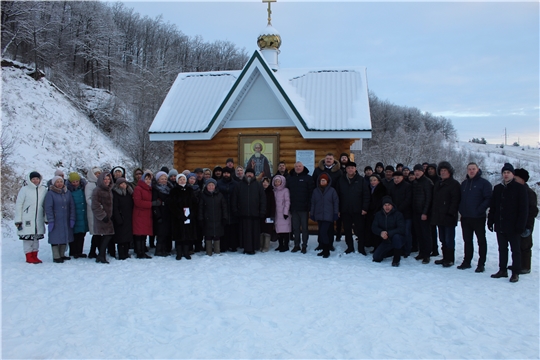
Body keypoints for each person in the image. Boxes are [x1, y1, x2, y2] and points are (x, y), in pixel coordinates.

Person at [488, 163, 528, 283]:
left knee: (515, 250)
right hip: (500, 224)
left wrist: (521, 225)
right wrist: (490, 220)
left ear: (512, 174)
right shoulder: (498, 188)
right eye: (504, 173)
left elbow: (523, 209)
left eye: (508, 173)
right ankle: (502, 270)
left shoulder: (520, 188)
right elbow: (493, 206)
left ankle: (515, 272)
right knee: (502, 248)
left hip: (514, 226)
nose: (506, 175)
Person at [457, 162, 492, 272]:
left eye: (473, 169)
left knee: (481, 241)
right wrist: (461, 209)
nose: (471, 171)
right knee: (467, 240)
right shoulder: (464, 184)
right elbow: (460, 199)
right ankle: (467, 261)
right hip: (466, 217)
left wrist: (480, 210)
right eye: (469, 169)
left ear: (478, 170)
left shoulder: (484, 183)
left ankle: (481, 263)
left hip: (478, 217)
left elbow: (488, 199)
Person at [430, 161, 461, 267]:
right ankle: (445, 257)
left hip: (449, 216)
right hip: (439, 216)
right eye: (441, 171)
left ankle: (450, 259)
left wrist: (450, 213)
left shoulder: (454, 184)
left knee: (449, 238)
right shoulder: (438, 183)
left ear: (449, 172)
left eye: (445, 171)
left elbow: (455, 200)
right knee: (442, 238)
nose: (443, 173)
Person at [336, 161, 370, 255]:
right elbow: (337, 196)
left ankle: (361, 248)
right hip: (345, 209)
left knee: (360, 230)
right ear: (346, 169)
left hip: (358, 210)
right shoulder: (341, 180)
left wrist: (365, 208)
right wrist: (338, 209)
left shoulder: (361, 180)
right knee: (347, 230)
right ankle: (349, 247)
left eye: (352, 168)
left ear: (355, 169)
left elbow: (366, 195)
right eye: (348, 168)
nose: (350, 169)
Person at [15, 171, 47, 264]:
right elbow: (19, 204)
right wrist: (18, 220)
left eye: (37, 179)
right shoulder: (24, 189)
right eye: (33, 179)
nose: (35, 181)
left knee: (36, 239)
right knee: (28, 239)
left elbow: (46, 205)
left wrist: (46, 218)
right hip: (27, 218)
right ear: (30, 180)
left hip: (38, 219)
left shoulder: (43, 189)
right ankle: (28, 256)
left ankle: (35, 256)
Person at [232, 168, 266, 254]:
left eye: (251, 173)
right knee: (245, 233)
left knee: (254, 233)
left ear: (254, 175)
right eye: (248, 173)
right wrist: (235, 210)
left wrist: (262, 211)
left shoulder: (258, 185)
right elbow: (234, 199)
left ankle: (253, 248)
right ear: (245, 174)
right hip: (243, 213)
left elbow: (263, 199)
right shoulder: (239, 185)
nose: (249, 175)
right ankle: (246, 248)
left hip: (255, 214)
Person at [312, 153, 342, 248]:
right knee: (321, 226)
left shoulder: (339, 172)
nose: (328, 160)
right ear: (324, 160)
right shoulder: (318, 170)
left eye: (330, 159)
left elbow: (340, 187)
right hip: (320, 199)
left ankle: (330, 244)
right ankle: (320, 244)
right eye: (327, 158)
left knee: (329, 226)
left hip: (332, 199)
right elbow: (314, 183)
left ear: (334, 161)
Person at [45, 175, 75, 263]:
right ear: (54, 183)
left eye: (61, 182)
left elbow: (72, 206)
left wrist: (72, 218)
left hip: (65, 218)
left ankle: (62, 254)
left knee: (65, 236)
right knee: (55, 237)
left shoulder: (67, 192)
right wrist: (50, 220)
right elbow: (48, 207)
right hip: (56, 219)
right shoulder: (50, 193)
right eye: (57, 182)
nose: (59, 184)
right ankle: (56, 256)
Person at [513, 168, 538, 274]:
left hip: (527, 223)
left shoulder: (529, 193)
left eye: (516, 178)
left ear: (522, 180)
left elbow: (533, 210)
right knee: (517, 245)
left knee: (525, 246)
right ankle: (517, 264)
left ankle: (526, 266)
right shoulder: (515, 190)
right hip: (516, 223)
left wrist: (527, 225)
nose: (514, 180)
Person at [287, 162, 315, 254]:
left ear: (303, 167)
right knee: (295, 228)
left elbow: (311, 194)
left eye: (299, 166)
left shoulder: (308, 178)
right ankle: (296, 245)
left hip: (304, 208)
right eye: (296, 166)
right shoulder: (290, 178)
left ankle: (304, 245)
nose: (298, 168)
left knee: (304, 228)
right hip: (294, 208)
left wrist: (310, 206)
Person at [169, 174, 198, 260]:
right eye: (180, 179)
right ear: (177, 181)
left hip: (188, 216)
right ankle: (179, 252)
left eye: (183, 179)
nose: (182, 181)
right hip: (178, 217)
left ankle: (186, 252)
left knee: (187, 235)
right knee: (179, 235)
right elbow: (172, 204)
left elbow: (194, 202)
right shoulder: (174, 190)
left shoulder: (190, 190)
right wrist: (179, 214)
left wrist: (191, 213)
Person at [310, 173, 339, 258]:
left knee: (324, 232)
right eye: (321, 180)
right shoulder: (316, 191)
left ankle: (326, 250)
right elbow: (313, 203)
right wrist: (312, 213)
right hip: (319, 215)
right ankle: (324, 249)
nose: (323, 182)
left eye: (324, 180)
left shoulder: (332, 191)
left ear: (327, 181)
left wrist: (335, 213)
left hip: (328, 215)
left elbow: (336, 203)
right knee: (321, 232)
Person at [371, 196, 405, 266]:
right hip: (385, 240)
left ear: (392, 205)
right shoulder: (378, 215)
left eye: (389, 205)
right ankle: (392, 251)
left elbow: (401, 229)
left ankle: (396, 258)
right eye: (385, 205)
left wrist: (389, 233)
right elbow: (374, 227)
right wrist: (381, 232)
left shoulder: (398, 215)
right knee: (376, 258)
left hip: (397, 239)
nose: (387, 207)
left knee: (396, 237)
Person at [198, 178, 228, 256]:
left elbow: (224, 207)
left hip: (218, 218)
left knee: (217, 235)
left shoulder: (220, 195)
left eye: (212, 185)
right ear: (206, 186)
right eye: (209, 185)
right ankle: (209, 251)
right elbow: (200, 208)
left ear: (215, 186)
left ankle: (217, 251)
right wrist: (200, 218)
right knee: (208, 235)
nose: (211, 187)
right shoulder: (203, 195)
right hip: (207, 219)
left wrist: (225, 217)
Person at [412, 164, 434, 264]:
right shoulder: (415, 182)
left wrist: (425, 212)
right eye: (415, 171)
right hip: (416, 212)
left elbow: (429, 199)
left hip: (424, 213)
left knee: (426, 234)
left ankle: (427, 255)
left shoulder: (427, 182)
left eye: (419, 171)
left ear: (422, 172)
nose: (417, 172)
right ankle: (421, 252)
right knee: (419, 233)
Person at [91, 172, 115, 264]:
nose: (107, 181)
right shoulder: (97, 190)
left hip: (109, 217)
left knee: (107, 235)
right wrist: (102, 215)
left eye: (108, 179)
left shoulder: (109, 189)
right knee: (107, 235)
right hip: (102, 217)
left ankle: (101, 255)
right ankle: (101, 255)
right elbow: (95, 205)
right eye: (105, 179)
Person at [388, 171, 413, 257]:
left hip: (406, 213)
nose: (396, 180)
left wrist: (399, 208)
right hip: (395, 214)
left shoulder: (407, 186)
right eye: (394, 178)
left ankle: (407, 250)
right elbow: (389, 198)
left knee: (406, 232)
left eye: (398, 178)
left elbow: (408, 199)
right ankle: (399, 248)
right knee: (397, 232)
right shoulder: (392, 187)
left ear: (402, 177)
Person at [66, 172, 89, 258]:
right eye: (73, 182)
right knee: (74, 234)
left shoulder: (83, 189)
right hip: (73, 214)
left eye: (77, 181)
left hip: (83, 214)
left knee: (82, 234)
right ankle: (73, 251)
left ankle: (79, 251)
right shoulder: (68, 191)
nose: (75, 183)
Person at [132, 171, 153, 259]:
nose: (148, 181)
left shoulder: (149, 189)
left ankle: (143, 251)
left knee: (144, 234)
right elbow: (138, 202)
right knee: (139, 234)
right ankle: (139, 252)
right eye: (146, 179)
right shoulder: (138, 188)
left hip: (146, 215)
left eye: (149, 179)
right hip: (139, 214)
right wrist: (151, 204)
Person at [217, 167, 239, 252]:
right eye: (225, 173)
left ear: (231, 174)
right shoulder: (219, 183)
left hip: (233, 208)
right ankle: (224, 246)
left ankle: (233, 245)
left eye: (228, 173)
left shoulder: (236, 184)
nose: (226, 175)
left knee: (233, 229)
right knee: (224, 228)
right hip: (222, 208)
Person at [152, 171, 173, 256]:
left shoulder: (169, 188)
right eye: (162, 179)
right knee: (161, 233)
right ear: (158, 180)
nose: (164, 180)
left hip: (168, 213)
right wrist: (158, 215)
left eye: (165, 179)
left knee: (167, 233)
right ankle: (159, 250)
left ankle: (165, 249)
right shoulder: (156, 189)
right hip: (160, 213)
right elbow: (154, 203)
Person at [112, 177, 134, 260]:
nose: (123, 185)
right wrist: (118, 218)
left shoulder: (129, 193)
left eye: (125, 184)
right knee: (121, 238)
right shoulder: (115, 193)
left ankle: (126, 252)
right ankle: (121, 254)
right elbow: (115, 207)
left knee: (127, 237)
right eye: (121, 184)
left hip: (128, 217)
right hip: (120, 217)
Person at [365, 174, 388, 251]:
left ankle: (378, 247)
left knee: (378, 229)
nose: (372, 182)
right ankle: (372, 244)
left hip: (379, 212)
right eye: (371, 180)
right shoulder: (368, 188)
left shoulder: (382, 189)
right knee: (370, 229)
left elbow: (383, 201)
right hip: (369, 212)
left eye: (374, 180)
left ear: (378, 180)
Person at [85, 166, 102, 258]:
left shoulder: (101, 183)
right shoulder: (90, 185)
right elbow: (88, 198)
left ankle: (93, 251)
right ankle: (96, 251)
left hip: (101, 211)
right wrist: (97, 206)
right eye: (96, 174)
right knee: (96, 233)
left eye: (99, 173)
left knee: (98, 232)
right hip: (93, 211)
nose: (98, 175)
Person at [273, 175, 291, 252]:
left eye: (278, 181)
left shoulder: (285, 190)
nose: (277, 183)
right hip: (277, 213)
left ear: (282, 182)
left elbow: (287, 201)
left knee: (285, 230)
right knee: (279, 230)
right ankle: (280, 245)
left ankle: (286, 245)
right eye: (276, 181)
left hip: (284, 214)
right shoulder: (274, 191)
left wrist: (286, 212)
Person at [260, 177, 276, 253]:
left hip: (269, 214)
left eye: (267, 182)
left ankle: (266, 246)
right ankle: (260, 245)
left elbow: (273, 205)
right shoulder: (259, 191)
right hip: (260, 214)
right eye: (264, 182)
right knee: (261, 231)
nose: (265, 183)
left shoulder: (271, 192)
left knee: (267, 231)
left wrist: (272, 215)